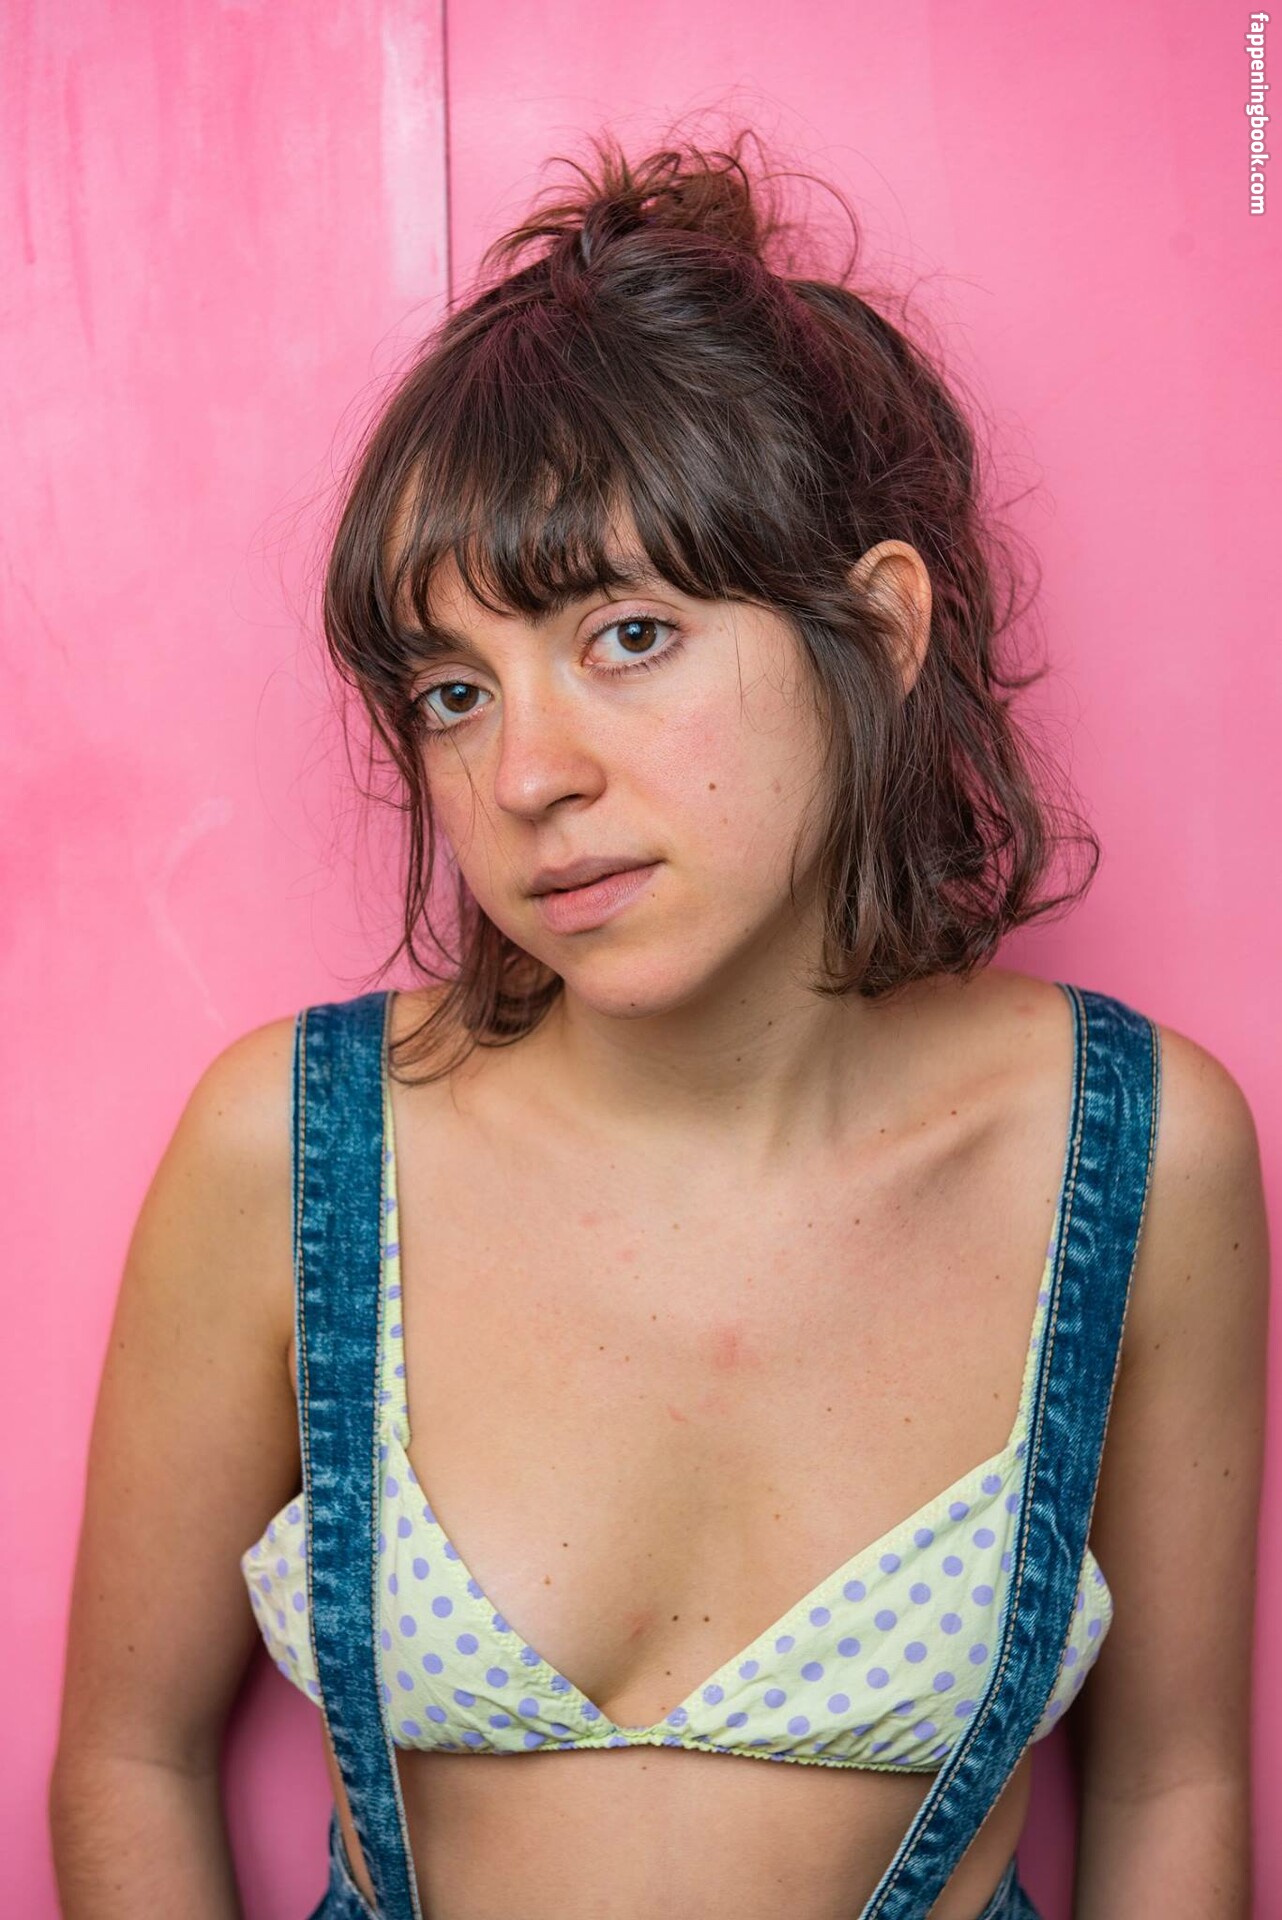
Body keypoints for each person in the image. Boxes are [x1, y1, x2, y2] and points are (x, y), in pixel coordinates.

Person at [49, 130, 1268, 1920]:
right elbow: (129, 1759)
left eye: (626, 635)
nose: (524, 776)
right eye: (451, 691)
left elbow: (1173, 1785)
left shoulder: (1133, 1151)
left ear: (877, 626)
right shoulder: (294, 1149)